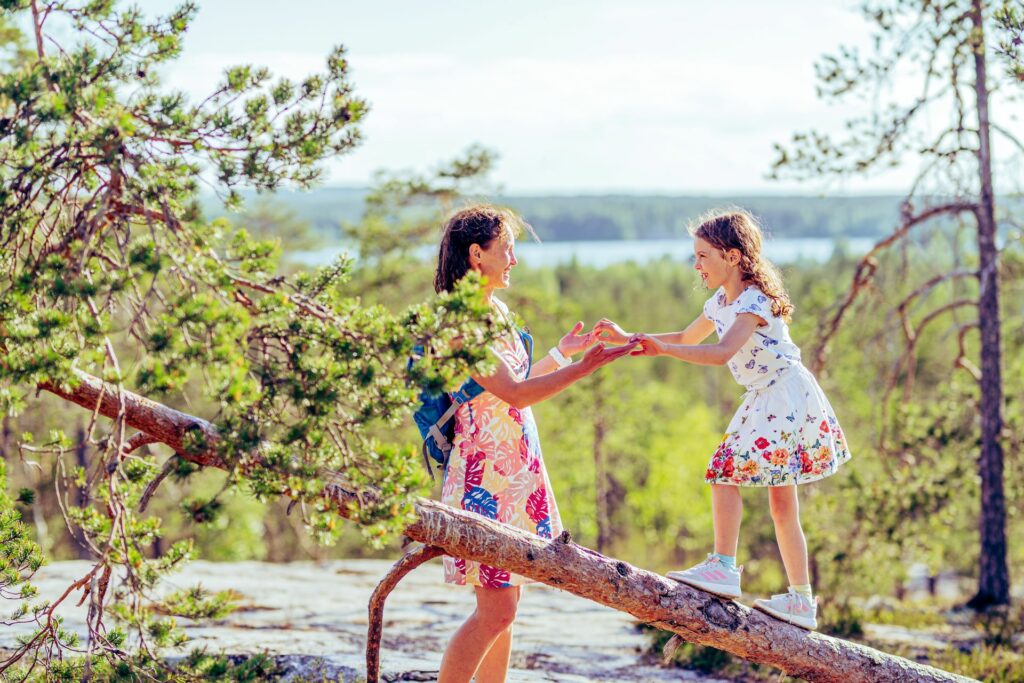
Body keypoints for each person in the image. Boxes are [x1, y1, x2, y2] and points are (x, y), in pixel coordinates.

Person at [593, 209, 851, 630]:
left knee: (725, 472)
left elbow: (719, 353)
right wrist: (632, 339)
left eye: (703, 256)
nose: (697, 265)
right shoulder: (720, 302)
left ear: (732, 256)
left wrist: (662, 350)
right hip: (769, 396)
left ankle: (725, 568)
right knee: (780, 502)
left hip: (782, 394)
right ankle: (801, 600)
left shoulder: (753, 301)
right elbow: (684, 338)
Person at [433, 205, 636, 683]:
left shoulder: (496, 311)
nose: (514, 261)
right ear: (477, 254)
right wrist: (586, 368)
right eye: (508, 250)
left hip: (516, 476)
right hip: (484, 479)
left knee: (506, 608)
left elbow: (515, 384)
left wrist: (561, 356)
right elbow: (517, 394)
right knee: (496, 611)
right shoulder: (461, 324)